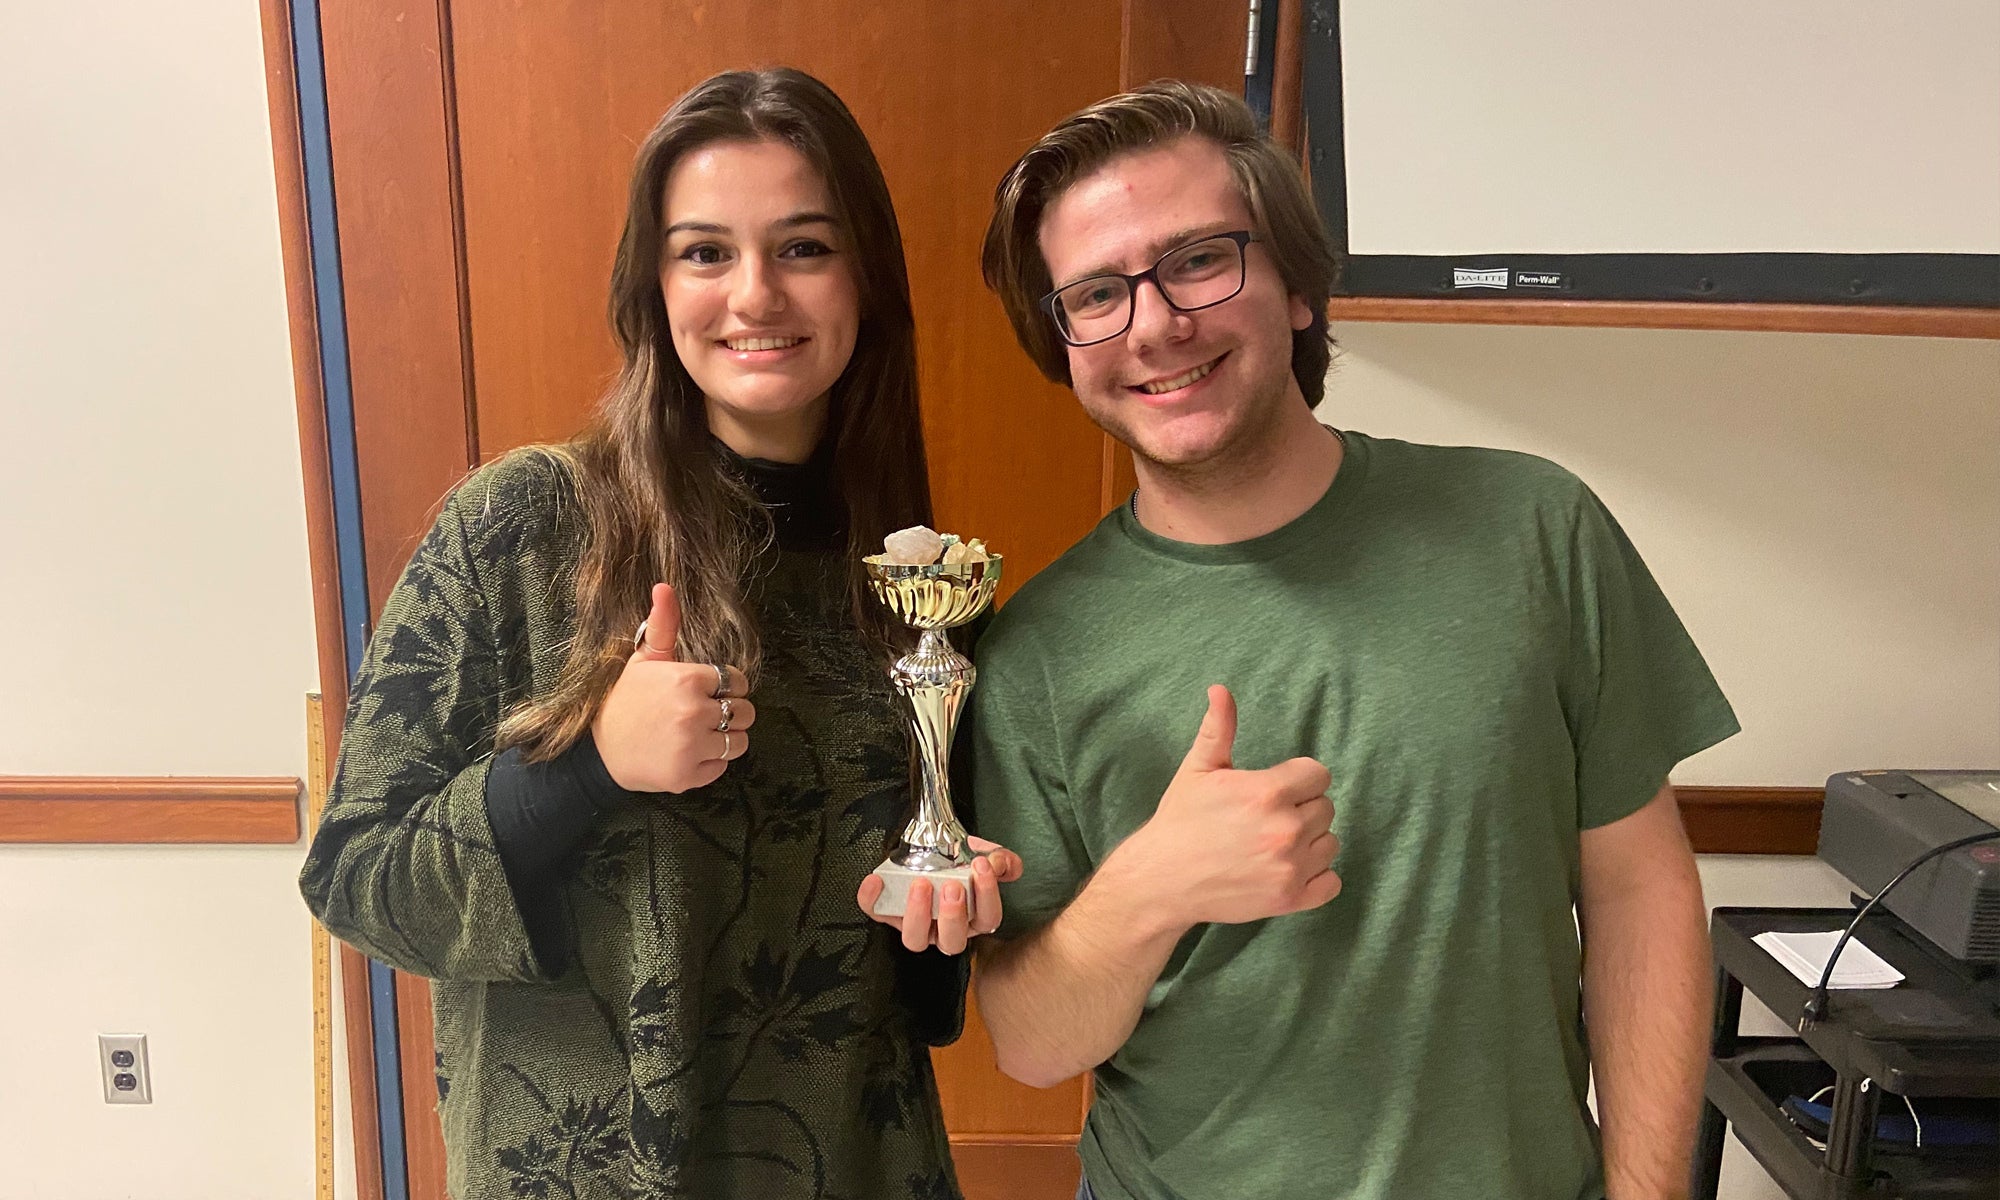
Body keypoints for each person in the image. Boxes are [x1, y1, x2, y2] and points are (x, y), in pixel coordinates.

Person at [963, 82, 1738, 1200]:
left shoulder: (1530, 529)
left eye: (1195, 260)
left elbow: (1636, 893)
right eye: (1094, 293)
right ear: (1064, 342)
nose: (1154, 323)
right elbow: (1033, 1044)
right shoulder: (1037, 648)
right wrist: (1154, 885)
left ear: (1293, 286)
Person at [300, 67, 1019, 1200]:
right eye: (704, 252)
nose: (754, 297)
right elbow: (359, 877)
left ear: (866, 279)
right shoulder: (522, 525)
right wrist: (584, 766)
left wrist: (937, 920)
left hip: (858, 1164)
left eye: (803, 248)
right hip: (588, 1174)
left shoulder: (916, 583)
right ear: (652, 282)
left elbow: (913, 1000)